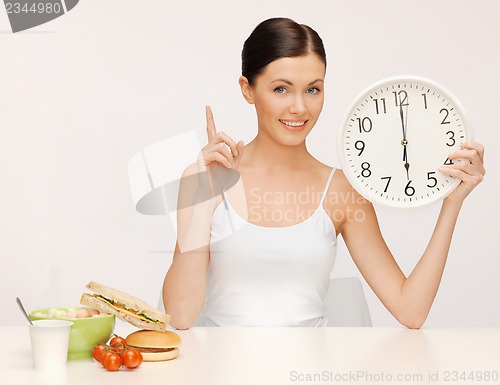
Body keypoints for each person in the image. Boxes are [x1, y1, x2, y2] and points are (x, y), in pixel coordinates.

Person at [162, 17, 485, 329]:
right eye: (281, 89)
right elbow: (181, 316)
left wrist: (451, 200)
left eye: (313, 90)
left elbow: (410, 310)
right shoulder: (205, 176)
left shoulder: (343, 191)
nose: (300, 107)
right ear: (248, 89)